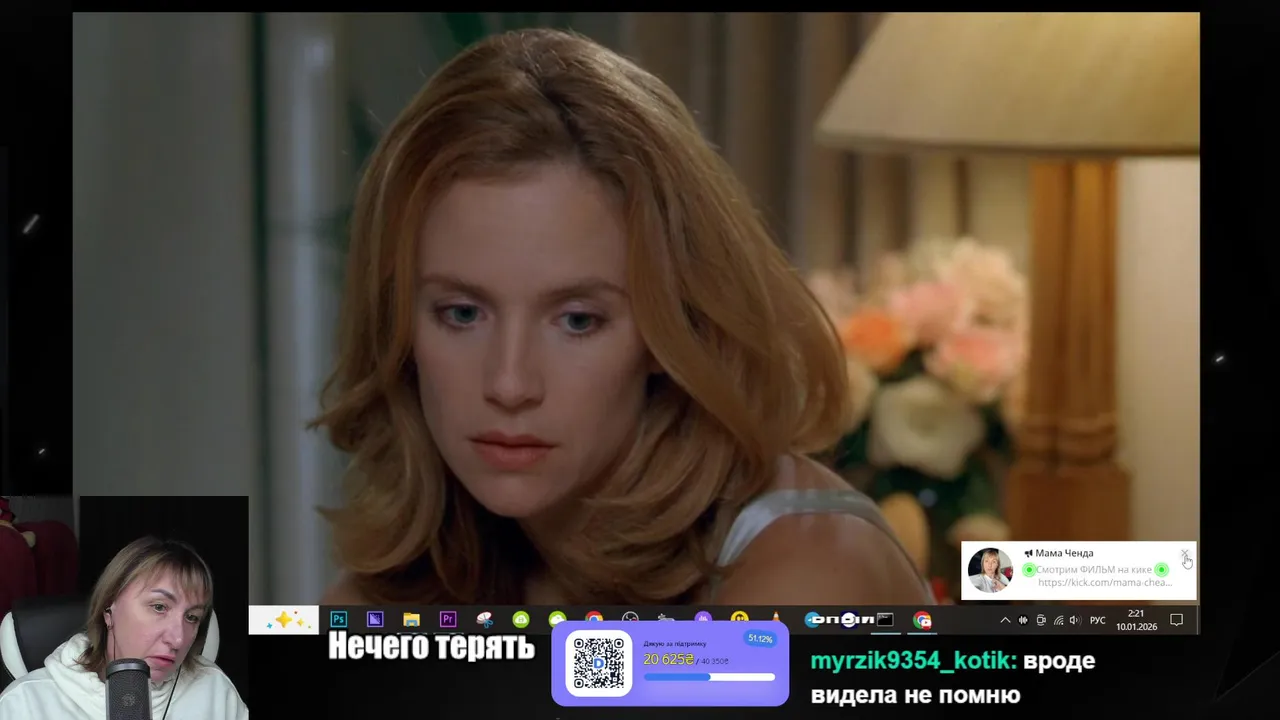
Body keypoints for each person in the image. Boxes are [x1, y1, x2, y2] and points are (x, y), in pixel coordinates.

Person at [317, 28, 934, 607]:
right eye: (462, 313)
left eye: (578, 321)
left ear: (672, 332)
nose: (509, 384)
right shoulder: (418, 571)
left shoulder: (807, 574)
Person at [0, 537, 248, 719]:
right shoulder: (24, 704)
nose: (178, 639)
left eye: (192, 617)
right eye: (159, 607)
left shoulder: (215, 691)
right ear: (108, 610)